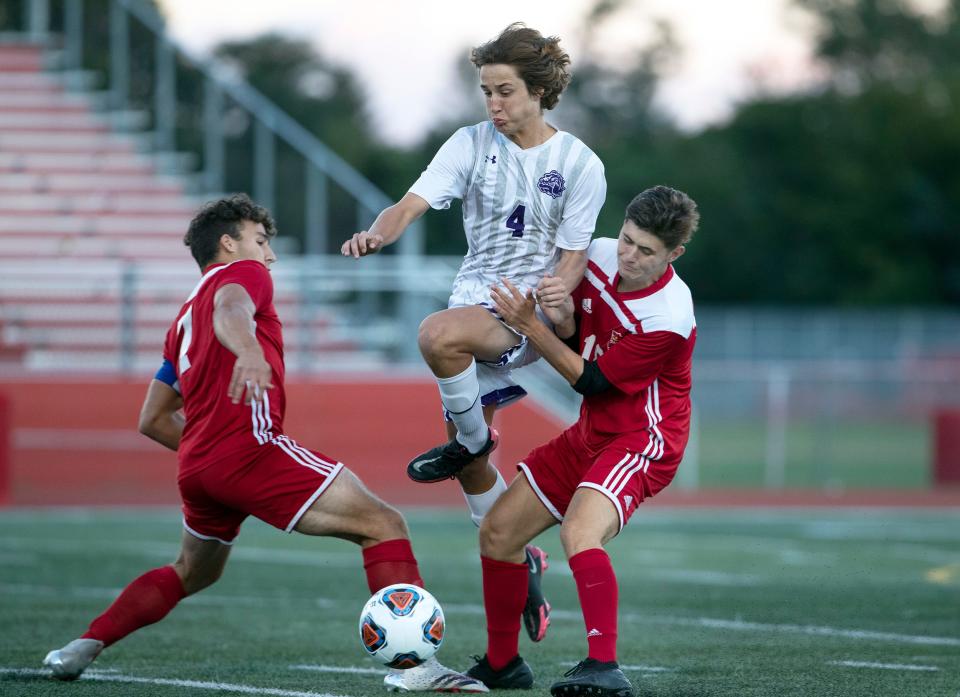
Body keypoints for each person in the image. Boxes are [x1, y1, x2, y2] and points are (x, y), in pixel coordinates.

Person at [42, 194, 488, 693]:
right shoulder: (244, 276)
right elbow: (233, 308)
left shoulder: (181, 321)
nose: (269, 255)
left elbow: (153, 420)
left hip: (198, 466)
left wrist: (211, 453)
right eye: (260, 241)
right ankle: (418, 670)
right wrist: (249, 350)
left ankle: (84, 644)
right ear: (229, 245)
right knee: (384, 524)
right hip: (250, 449)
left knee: (193, 571)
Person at [340, 23, 606, 652]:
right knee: (475, 472)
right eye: (485, 91)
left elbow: (572, 259)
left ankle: (470, 437)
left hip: (525, 316)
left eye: (505, 91)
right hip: (475, 301)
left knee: (436, 337)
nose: (493, 104)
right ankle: (524, 569)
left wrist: (546, 305)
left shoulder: (578, 164)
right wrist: (379, 233)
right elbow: (407, 204)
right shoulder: (469, 144)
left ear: (539, 91)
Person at [462, 186, 699, 697]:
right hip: (593, 431)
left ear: (674, 255)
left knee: (579, 533)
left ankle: (604, 667)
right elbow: (574, 338)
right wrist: (561, 319)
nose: (629, 257)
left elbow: (589, 379)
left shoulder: (670, 316)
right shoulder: (594, 254)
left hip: (643, 439)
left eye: (647, 251)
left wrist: (530, 325)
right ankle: (504, 665)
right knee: (499, 534)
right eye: (629, 240)